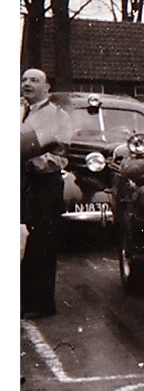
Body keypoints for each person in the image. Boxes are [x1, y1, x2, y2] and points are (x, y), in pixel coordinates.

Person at [20, 68, 73, 319]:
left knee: (42, 243)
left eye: (34, 80)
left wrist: (32, 164)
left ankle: (42, 304)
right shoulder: (21, 112)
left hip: (44, 185)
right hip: (23, 184)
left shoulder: (57, 115)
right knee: (24, 243)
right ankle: (23, 299)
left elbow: (61, 155)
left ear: (47, 87)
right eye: (24, 80)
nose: (27, 84)